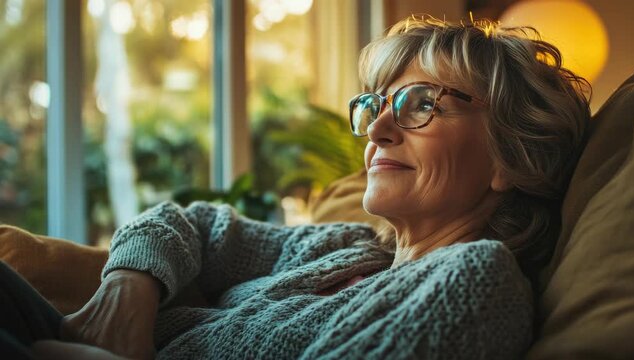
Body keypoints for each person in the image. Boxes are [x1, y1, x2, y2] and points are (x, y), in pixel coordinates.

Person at [1, 15, 590, 360]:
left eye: (422, 105)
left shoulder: (475, 285)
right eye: (376, 106)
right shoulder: (347, 249)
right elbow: (194, 223)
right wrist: (132, 283)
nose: (379, 129)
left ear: (510, 158)